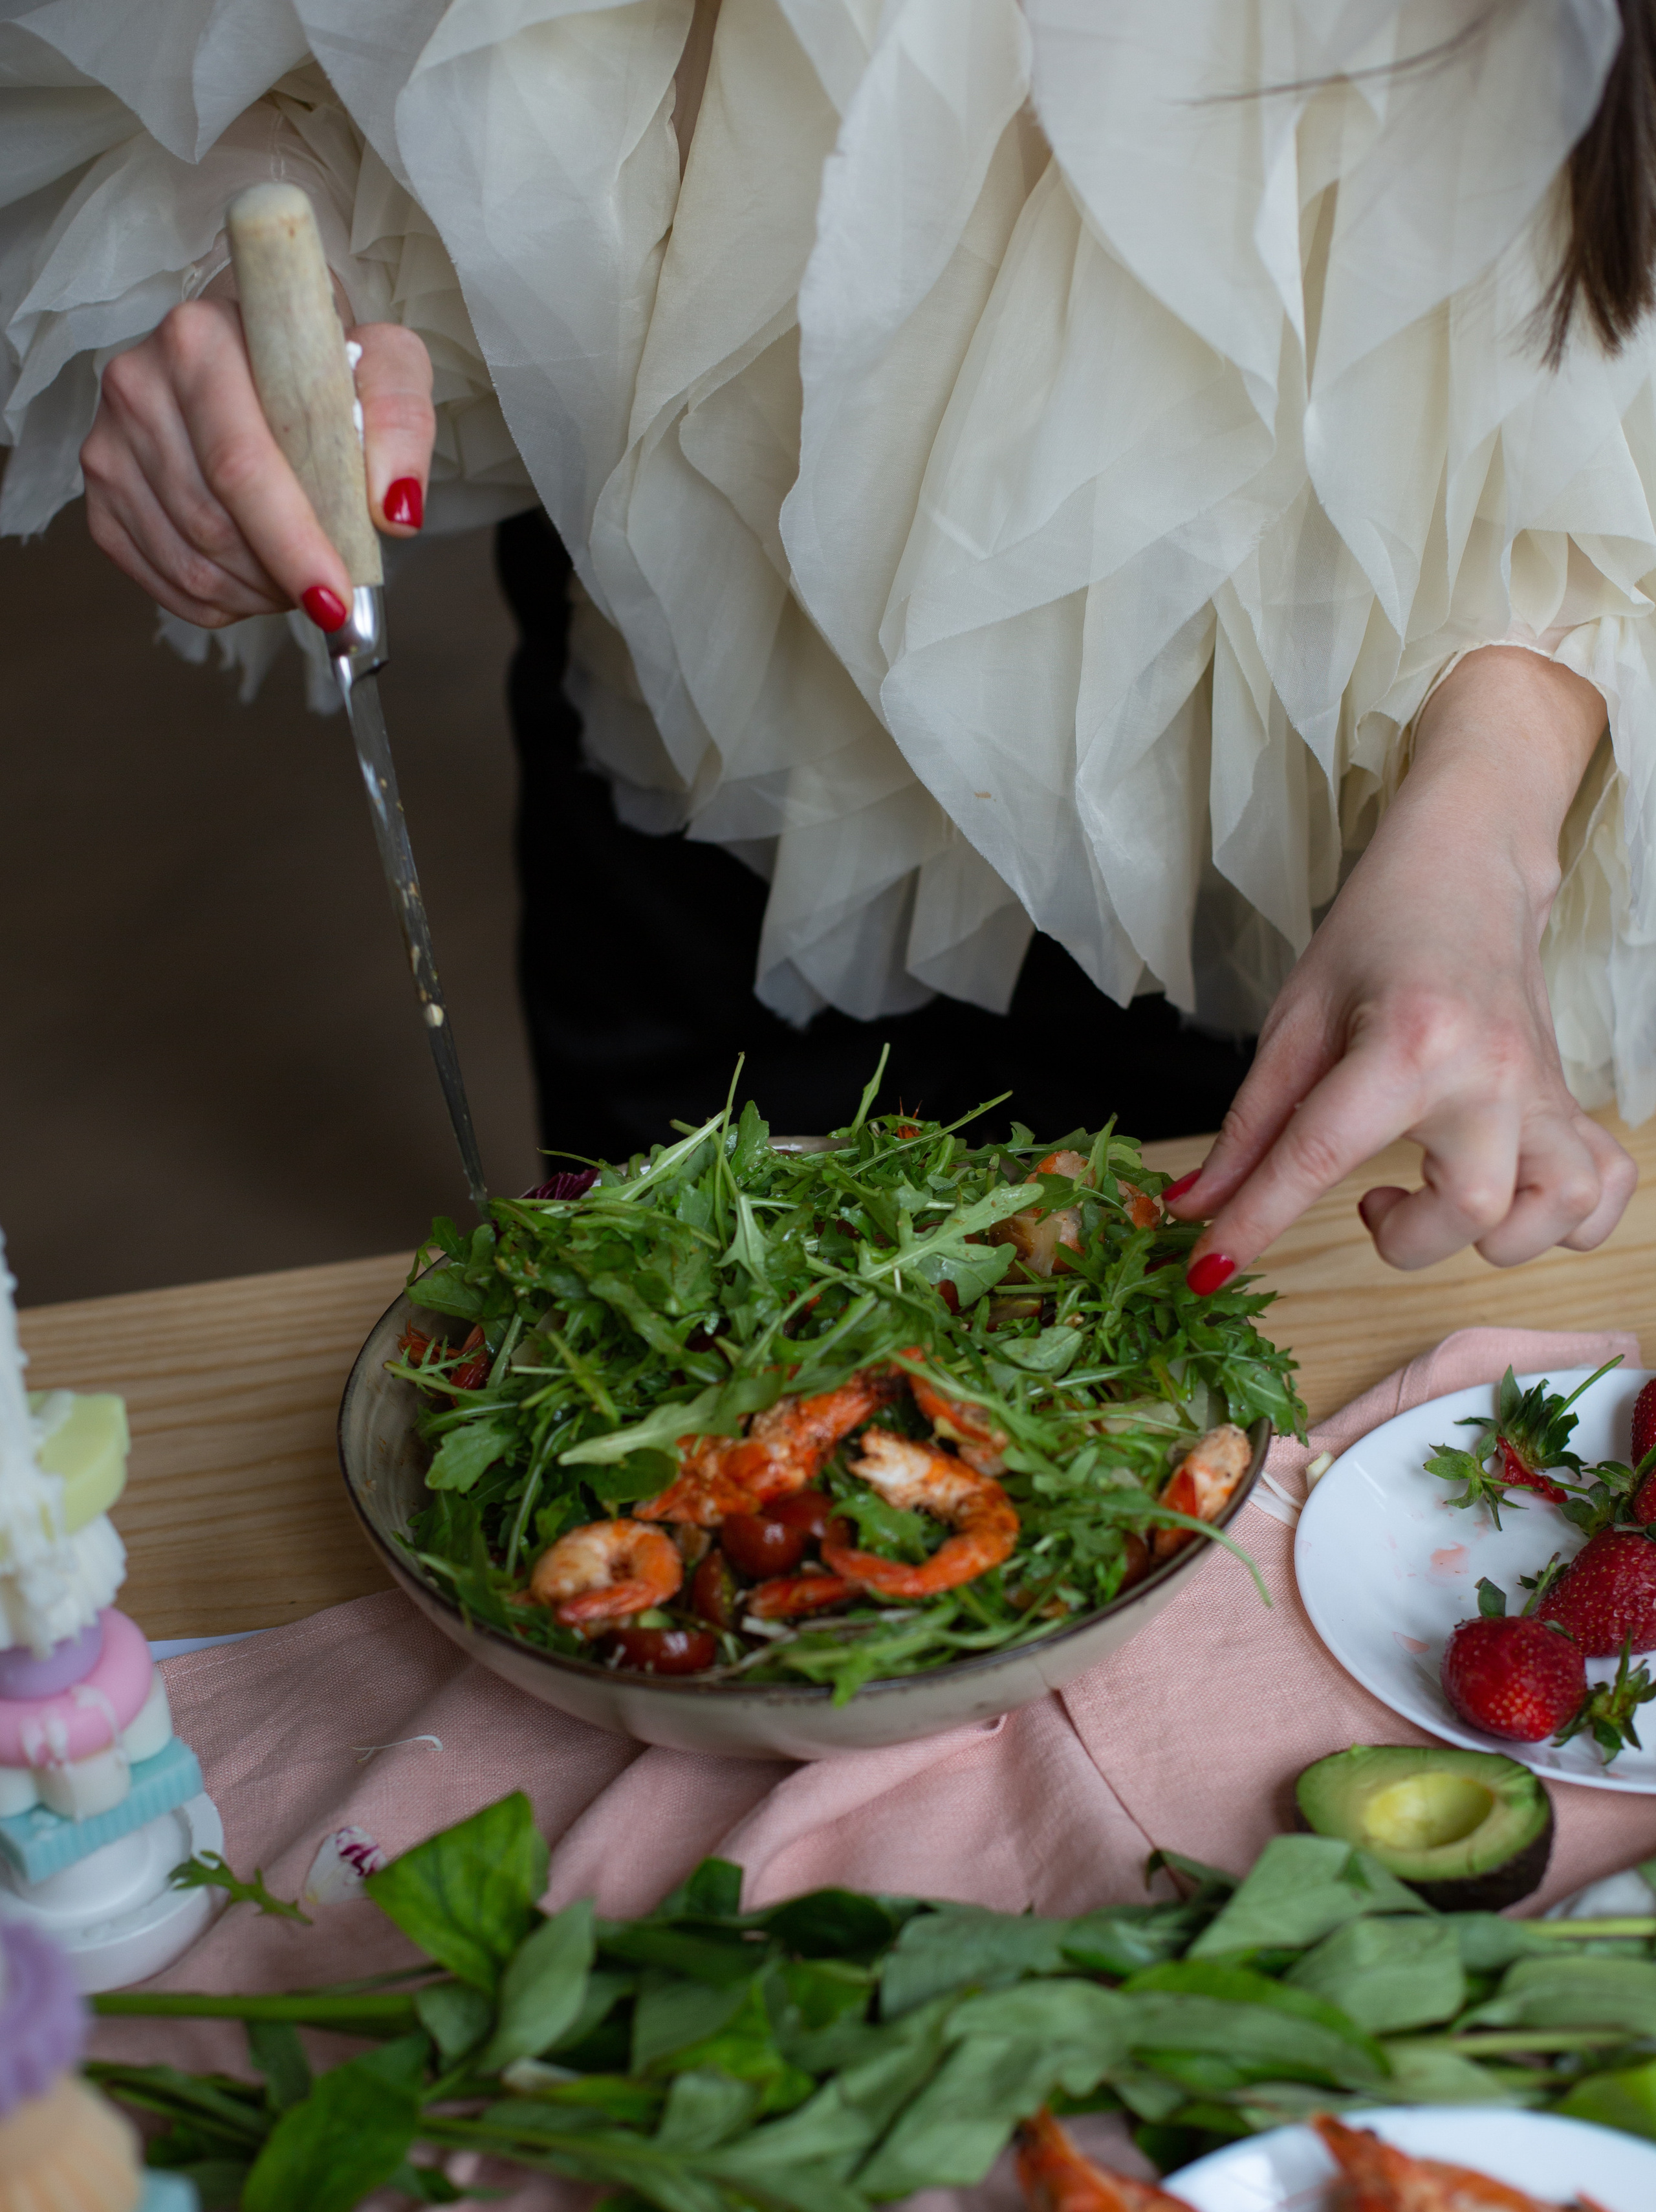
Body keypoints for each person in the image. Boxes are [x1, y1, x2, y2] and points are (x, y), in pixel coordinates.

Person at [1, 2, 1648, 1288]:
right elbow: (383, 79)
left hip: (1329, 878)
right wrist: (258, 307)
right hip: (714, 760)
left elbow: (1599, 330)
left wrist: (1486, 832)